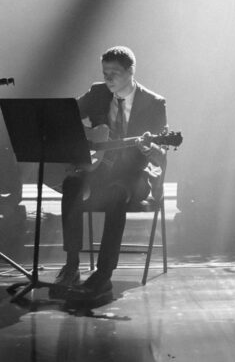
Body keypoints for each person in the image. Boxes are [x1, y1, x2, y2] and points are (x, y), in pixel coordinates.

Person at [51, 45, 168, 302]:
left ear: (131, 71)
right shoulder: (97, 93)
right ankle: (71, 265)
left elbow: (161, 155)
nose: (108, 78)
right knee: (71, 184)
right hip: (100, 169)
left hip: (135, 176)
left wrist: (150, 148)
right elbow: (65, 117)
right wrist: (87, 133)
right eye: (105, 72)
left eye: (114, 72)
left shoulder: (153, 103)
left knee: (116, 193)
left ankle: (103, 274)